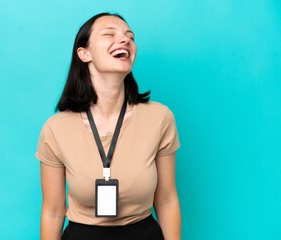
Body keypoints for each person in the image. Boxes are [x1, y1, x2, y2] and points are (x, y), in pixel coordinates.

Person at [36, 12, 181, 240]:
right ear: (84, 54)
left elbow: (166, 199)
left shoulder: (160, 117)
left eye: (129, 37)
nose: (125, 40)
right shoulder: (55, 129)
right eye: (109, 34)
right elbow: (53, 212)